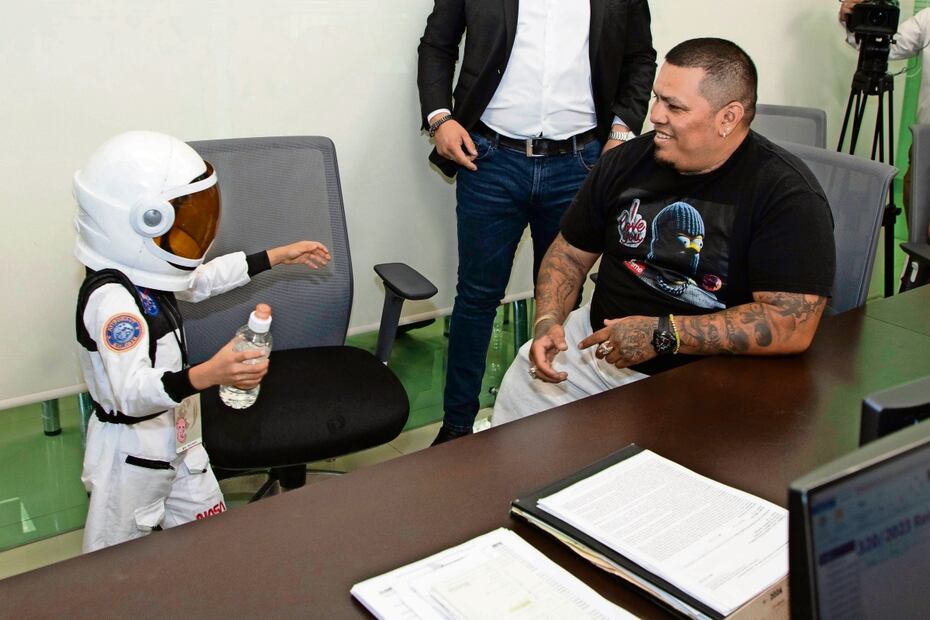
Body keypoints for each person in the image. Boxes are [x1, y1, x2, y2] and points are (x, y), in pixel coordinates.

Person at [491, 38, 837, 426]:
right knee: (517, 423)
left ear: (728, 117)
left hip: (705, 380)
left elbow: (792, 323)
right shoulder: (625, 163)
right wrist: (548, 321)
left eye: (674, 106)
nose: (654, 115)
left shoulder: (786, 195)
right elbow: (569, 254)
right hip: (592, 354)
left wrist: (665, 334)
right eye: (657, 98)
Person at [73, 131, 331, 552]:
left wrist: (275, 255)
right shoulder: (112, 301)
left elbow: (199, 281)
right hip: (131, 454)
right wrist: (209, 373)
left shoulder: (147, 271)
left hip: (181, 437)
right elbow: (133, 393)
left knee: (212, 544)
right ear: (141, 221)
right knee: (114, 565)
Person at [417, 0, 657, 444]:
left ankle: (547, 423)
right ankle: (455, 430)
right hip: (488, 159)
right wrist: (440, 118)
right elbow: (437, 44)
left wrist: (623, 131)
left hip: (580, 164)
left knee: (563, 298)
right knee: (476, 299)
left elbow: (639, 56)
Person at [839, 0, 930, 242]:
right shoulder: (928, 19)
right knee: (920, 238)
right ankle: (917, 269)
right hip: (925, 148)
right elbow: (886, 45)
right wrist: (854, 21)